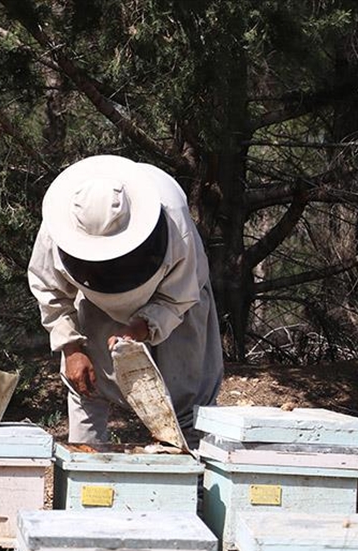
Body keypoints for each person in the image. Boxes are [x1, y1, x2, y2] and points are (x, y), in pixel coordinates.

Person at [28, 155, 223, 444]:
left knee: (186, 404)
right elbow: (50, 289)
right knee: (85, 388)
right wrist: (71, 348)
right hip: (96, 305)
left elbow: (179, 295)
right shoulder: (58, 226)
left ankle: (186, 481)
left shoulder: (173, 217)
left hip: (177, 303)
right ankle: (87, 479)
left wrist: (141, 328)